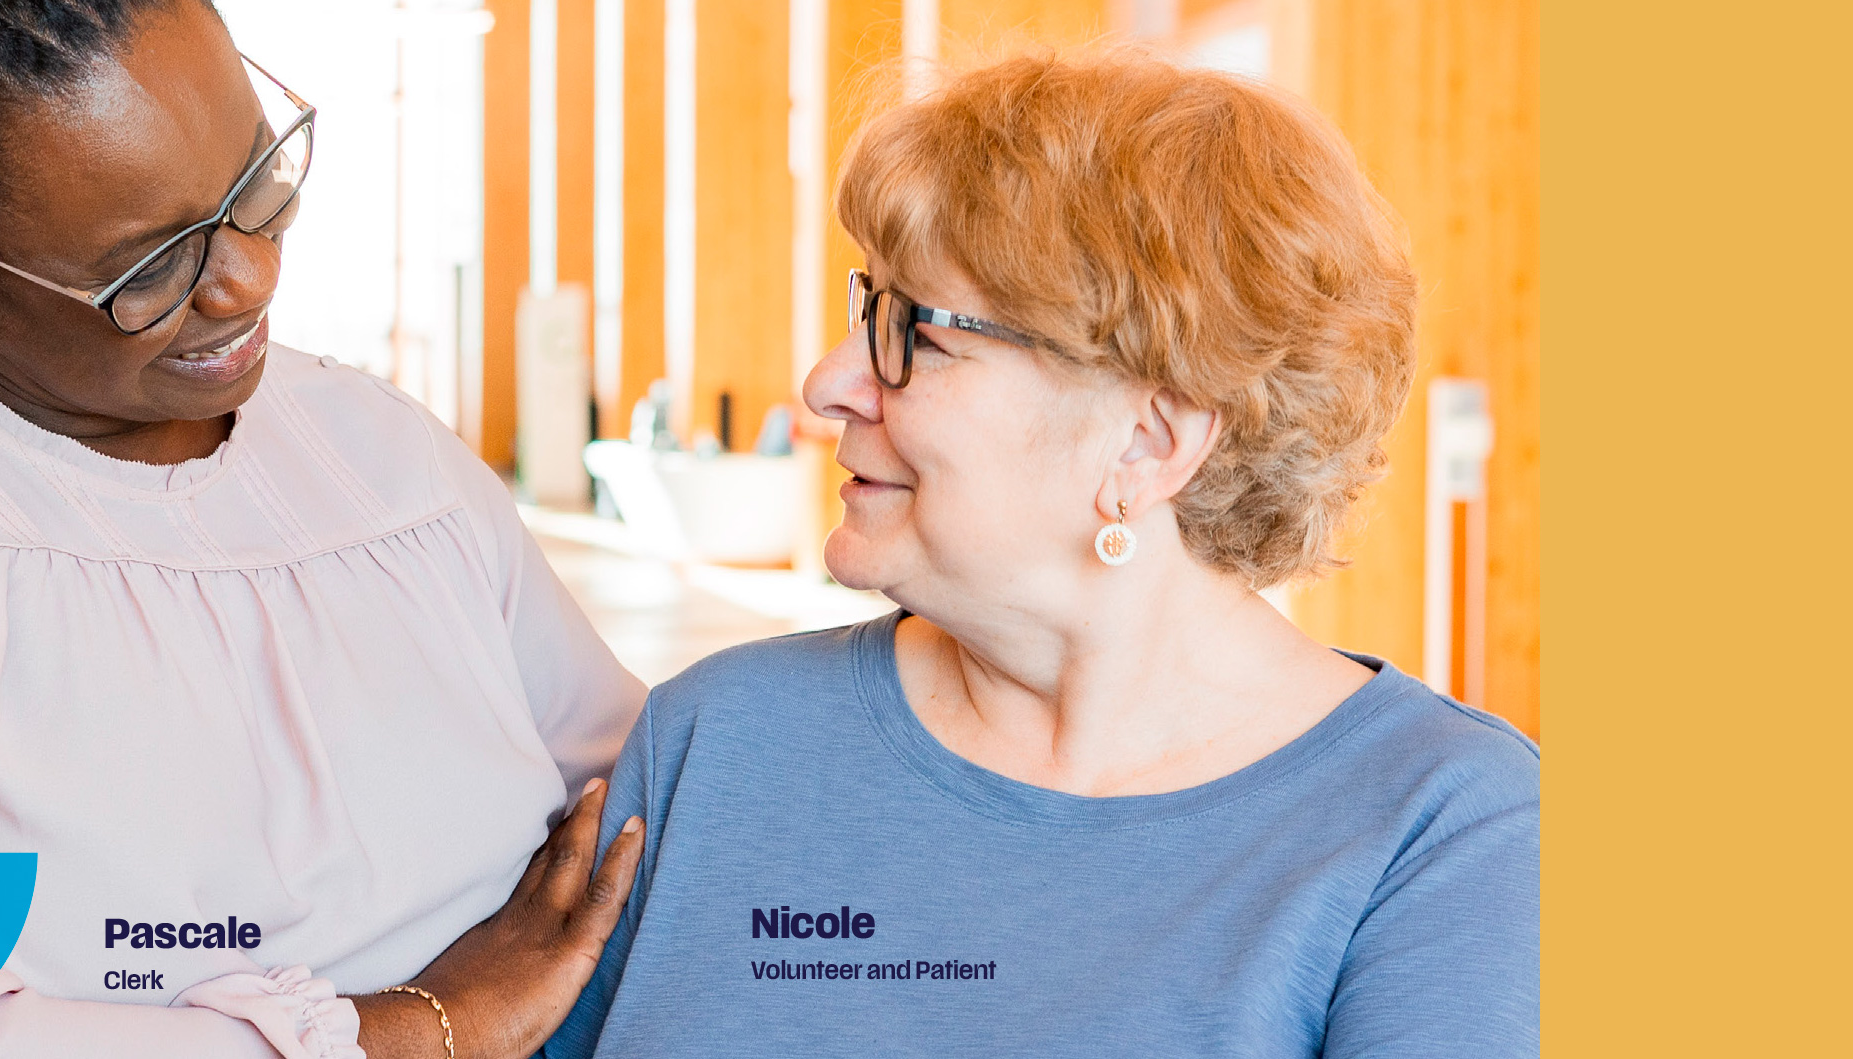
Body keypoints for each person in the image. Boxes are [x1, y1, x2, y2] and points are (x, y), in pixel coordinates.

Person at [0, 2, 646, 1056]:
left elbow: (641, 797)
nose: (248, 279)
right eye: (150, 265)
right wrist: (426, 1028)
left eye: (257, 184)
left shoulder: (379, 453)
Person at [545, 48, 1537, 1058]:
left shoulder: (1448, 839)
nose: (826, 381)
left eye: (912, 332)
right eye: (864, 307)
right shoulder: (713, 742)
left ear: (1146, 444)